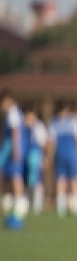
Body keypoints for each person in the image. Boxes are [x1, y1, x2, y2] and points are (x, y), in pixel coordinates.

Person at [1, 90, 28, 226]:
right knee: (13, 177)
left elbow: (16, 131)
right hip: (12, 149)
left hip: (12, 149)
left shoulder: (13, 112)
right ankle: (14, 204)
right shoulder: (13, 113)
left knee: (16, 177)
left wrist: (16, 149)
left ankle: (18, 207)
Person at [22, 108, 48, 215]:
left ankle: (37, 205)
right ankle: (25, 203)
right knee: (25, 180)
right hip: (24, 156)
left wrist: (44, 157)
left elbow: (44, 143)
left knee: (36, 180)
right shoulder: (22, 127)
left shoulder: (39, 127)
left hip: (35, 156)